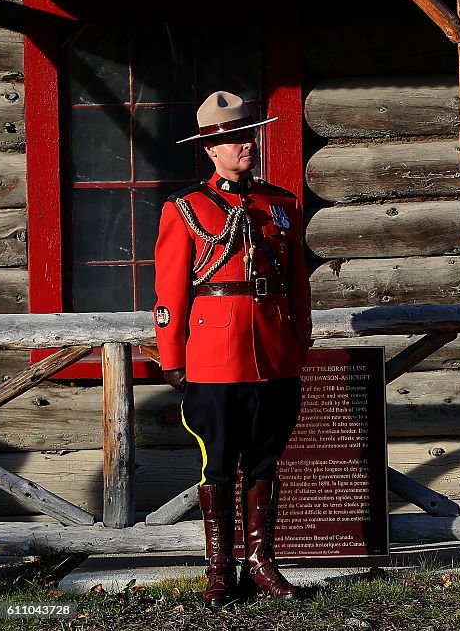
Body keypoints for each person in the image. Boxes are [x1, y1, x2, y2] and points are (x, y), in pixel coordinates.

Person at [154, 91, 312, 606]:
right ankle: (220, 568)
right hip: (213, 356)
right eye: (232, 139)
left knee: (265, 460)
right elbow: (171, 291)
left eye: (248, 135)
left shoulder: (280, 203)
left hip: (274, 352)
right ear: (210, 149)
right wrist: (173, 357)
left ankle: (263, 563)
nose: (246, 145)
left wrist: (298, 341)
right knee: (217, 464)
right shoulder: (185, 209)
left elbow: (296, 284)